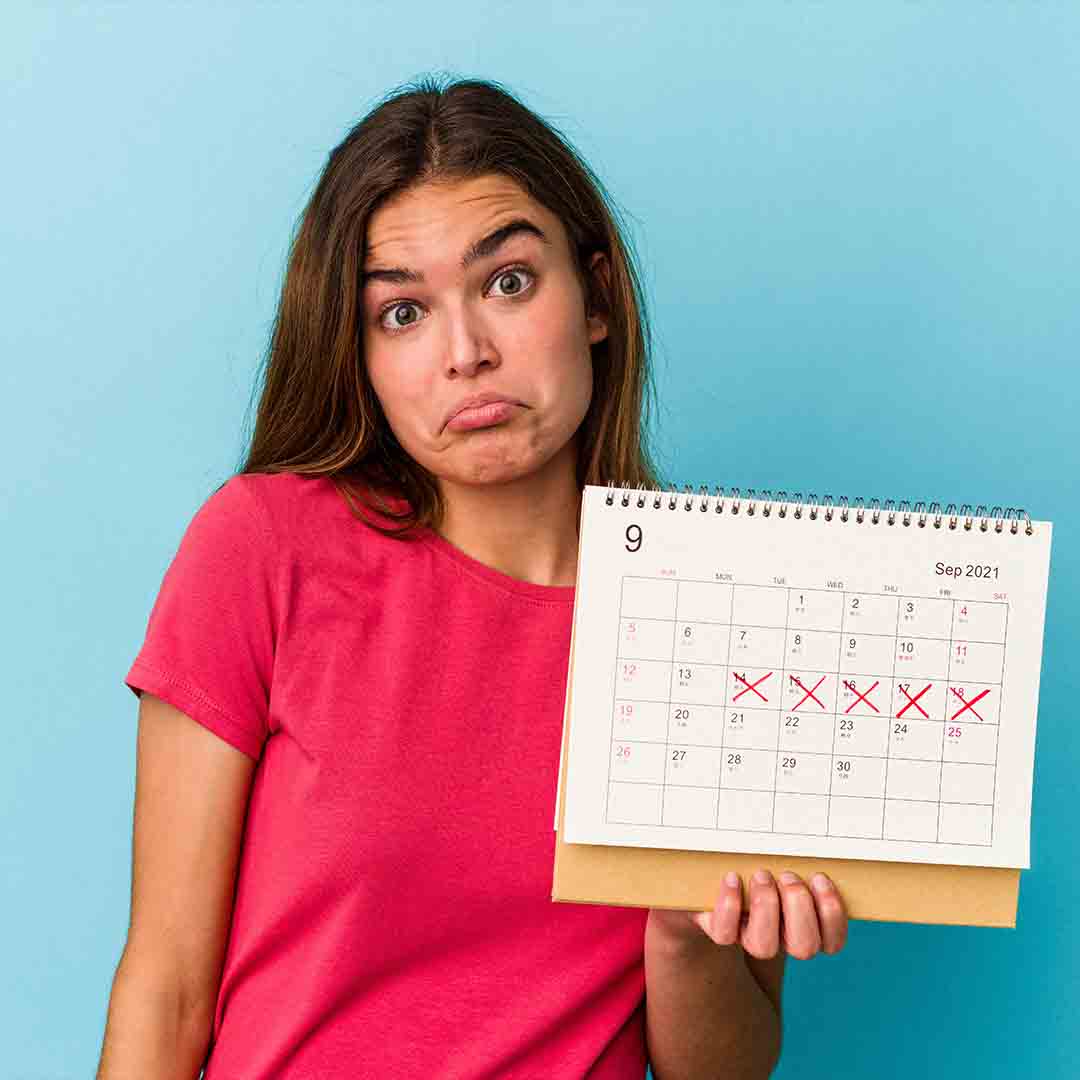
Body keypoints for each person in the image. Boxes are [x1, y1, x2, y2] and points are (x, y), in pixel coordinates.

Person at [97, 74, 848, 1080]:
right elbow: (168, 987)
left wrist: (682, 931)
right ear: (357, 352)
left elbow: (725, 1070)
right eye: (403, 312)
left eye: (508, 282)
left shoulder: (715, 612)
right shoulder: (263, 548)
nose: (466, 354)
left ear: (597, 299)